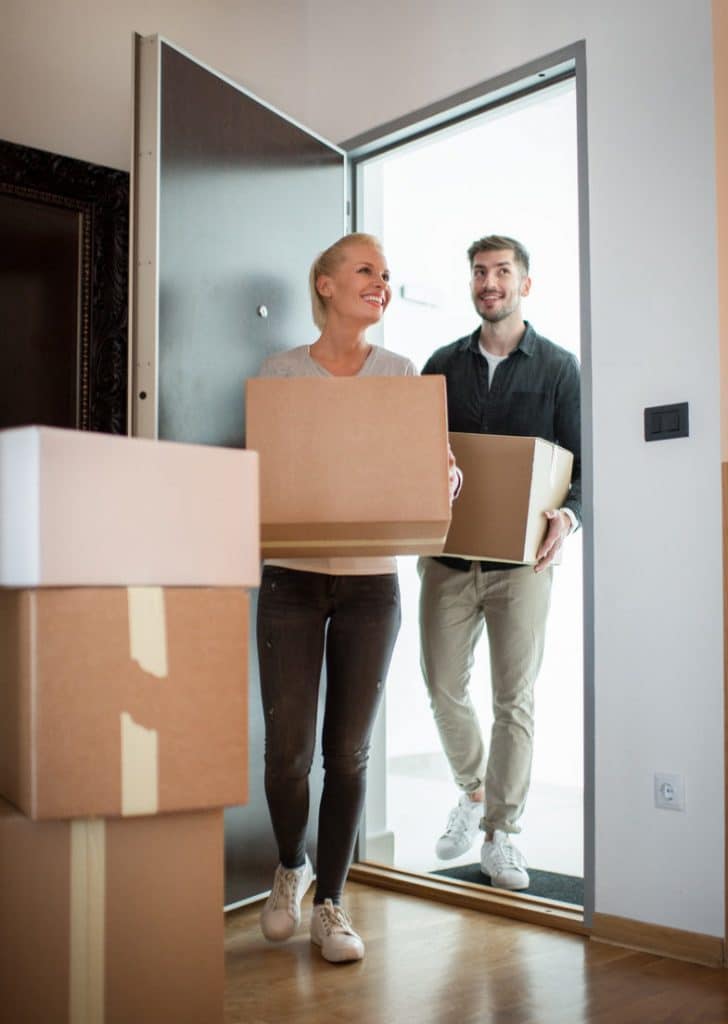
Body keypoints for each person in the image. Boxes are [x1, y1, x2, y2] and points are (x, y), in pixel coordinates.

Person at [256, 232, 460, 962]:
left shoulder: (402, 373)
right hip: (289, 579)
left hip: (373, 584)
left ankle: (332, 905)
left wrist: (446, 477)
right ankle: (291, 865)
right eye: (365, 270)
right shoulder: (278, 374)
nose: (380, 281)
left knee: (346, 754)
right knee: (287, 754)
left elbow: (433, 466)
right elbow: (264, 476)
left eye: (386, 274)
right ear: (325, 285)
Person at [419, 234, 581, 890]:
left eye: (502, 272)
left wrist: (568, 518)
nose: (491, 282)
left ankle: (501, 832)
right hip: (447, 559)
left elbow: (581, 466)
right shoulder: (440, 365)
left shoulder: (560, 369)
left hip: (522, 567)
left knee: (514, 698)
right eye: (481, 273)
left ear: (525, 285)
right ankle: (475, 789)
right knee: (441, 686)